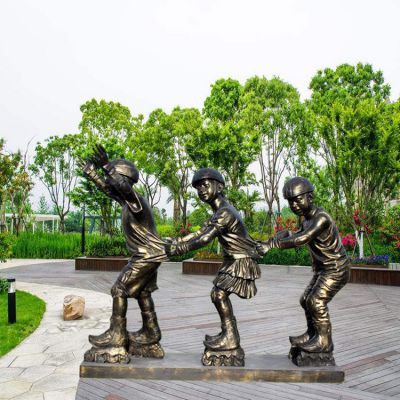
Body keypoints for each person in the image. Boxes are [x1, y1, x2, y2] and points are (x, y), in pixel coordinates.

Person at [80, 145, 166, 352]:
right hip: (150, 255)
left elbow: (123, 189)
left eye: (113, 178)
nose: (109, 182)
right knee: (143, 292)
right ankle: (151, 332)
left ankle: (117, 335)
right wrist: (92, 173)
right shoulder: (127, 201)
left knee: (119, 289)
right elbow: (109, 190)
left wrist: (106, 165)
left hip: (146, 255)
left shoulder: (136, 199)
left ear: (123, 180)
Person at [166, 168, 261, 352]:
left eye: (205, 185)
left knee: (218, 295)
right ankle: (229, 334)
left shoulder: (225, 212)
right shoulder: (220, 211)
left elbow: (204, 239)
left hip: (240, 261)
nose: (201, 190)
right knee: (218, 295)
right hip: (232, 260)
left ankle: (230, 337)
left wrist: (178, 250)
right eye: (198, 188)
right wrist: (177, 241)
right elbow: (200, 232)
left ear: (220, 187)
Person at [257, 177, 350, 353]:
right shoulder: (306, 220)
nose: (294, 205)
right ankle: (312, 334)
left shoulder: (321, 218)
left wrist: (272, 245)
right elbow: (293, 233)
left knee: (316, 301)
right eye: (290, 201)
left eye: (298, 199)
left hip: (336, 269)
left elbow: (302, 238)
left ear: (310, 197)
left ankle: (324, 341)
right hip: (323, 270)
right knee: (305, 299)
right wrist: (270, 240)